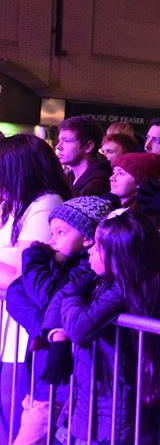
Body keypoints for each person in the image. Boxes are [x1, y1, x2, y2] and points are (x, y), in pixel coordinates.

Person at [41, 211, 160, 444]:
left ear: (119, 256)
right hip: (95, 397)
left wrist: (75, 295)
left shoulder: (123, 290)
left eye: (98, 247)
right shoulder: (107, 281)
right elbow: (60, 300)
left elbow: (79, 327)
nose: (90, 250)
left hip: (112, 406)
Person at [5, 196, 113, 444]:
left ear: (88, 238)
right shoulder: (61, 266)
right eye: (52, 232)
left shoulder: (87, 269)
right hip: (41, 376)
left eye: (61, 233)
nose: (52, 240)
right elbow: (15, 293)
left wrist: (32, 259)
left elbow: (48, 297)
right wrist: (46, 329)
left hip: (60, 384)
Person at [0, 135, 71, 444]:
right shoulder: (19, 204)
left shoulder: (46, 205)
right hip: (9, 331)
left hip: (24, 336)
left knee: (14, 417)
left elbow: (25, 275)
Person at [56, 116, 112, 196]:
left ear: (88, 147)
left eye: (67, 141)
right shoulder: (69, 177)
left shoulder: (97, 185)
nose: (58, 146)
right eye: (59, 140)